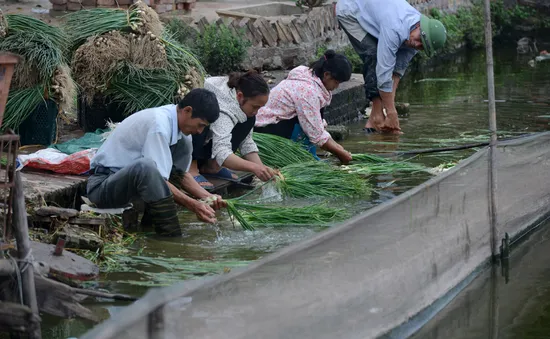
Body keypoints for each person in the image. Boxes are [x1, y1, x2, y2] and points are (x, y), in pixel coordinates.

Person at [87, 89, 226, 237]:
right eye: (200, 125)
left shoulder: (182, 132)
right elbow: (157, 177)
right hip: (102, 187)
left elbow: (180, 175)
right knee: (145, 167)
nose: (200, 131)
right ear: (187, 110)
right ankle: (172, 237)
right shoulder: (159, 125)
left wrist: (207, 197)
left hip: (132, 187)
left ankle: (151, 229)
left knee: (182, 146)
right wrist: (193, 205)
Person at [335, 0, 447, 134]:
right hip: (350, 11)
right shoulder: (394, 28)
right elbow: (383, 75)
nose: (417, 45)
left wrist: (390, 110)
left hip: (374, 13)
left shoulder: (416, 38)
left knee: (382, 60)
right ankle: (376, 117)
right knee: (373, 56)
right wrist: (391, 111)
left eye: (422, 46)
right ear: (418, 26)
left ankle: (374, 119)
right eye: (419, 40)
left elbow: (397, 71)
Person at [254, 50, 353, 164]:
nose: (337, 86)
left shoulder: (310, 75)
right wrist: (340, 153)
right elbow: (316, 134)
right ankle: (295, 158)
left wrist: (338, 147)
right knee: (308, 138)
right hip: (268, 129)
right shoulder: (308, 92)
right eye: (336, 82)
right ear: (326, 75)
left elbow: (316, 124)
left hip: (278, 123)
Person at [190, 70, 277, 189]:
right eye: (255, 107)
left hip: (209, 141)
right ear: (240, 96)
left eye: (260, 108)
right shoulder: (225, 109)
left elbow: (246, 142)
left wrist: (261, 168)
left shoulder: (241, 102)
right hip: (190, 137)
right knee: (199, 121)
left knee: (249, 119)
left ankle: (212, 166)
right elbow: (221, 151)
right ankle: (191, 168)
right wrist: (253, 168)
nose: (256, 112)